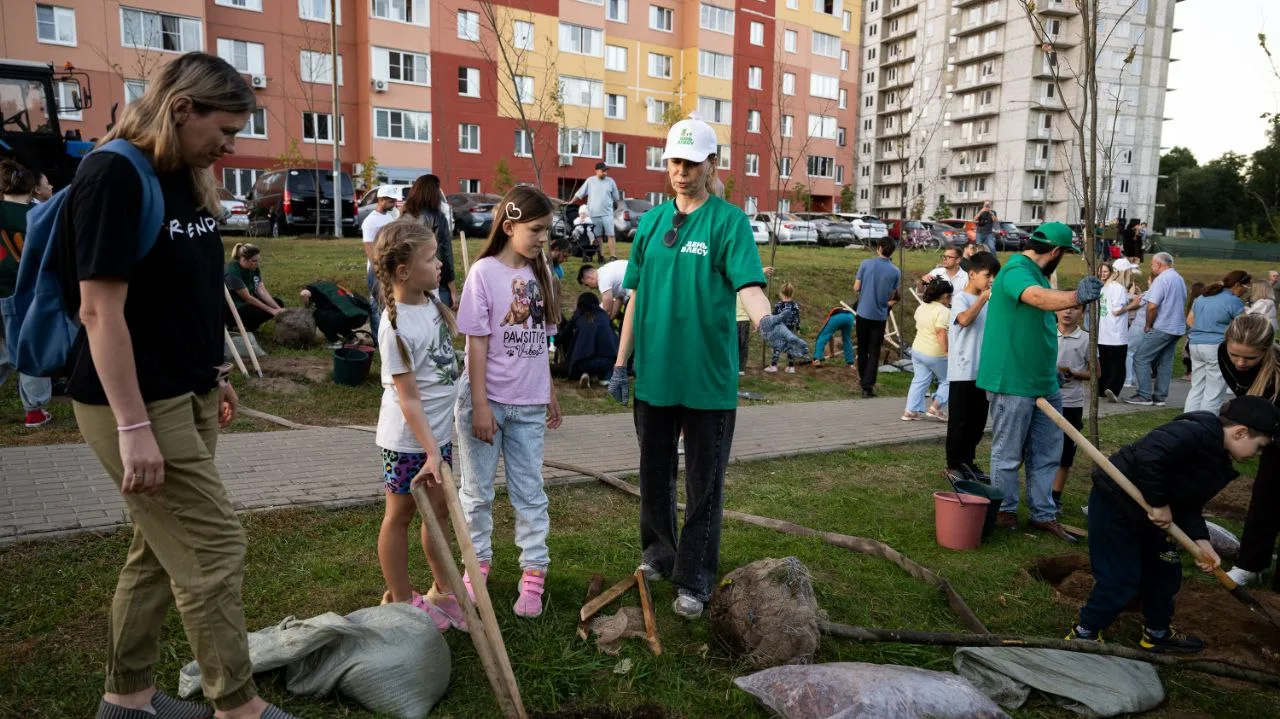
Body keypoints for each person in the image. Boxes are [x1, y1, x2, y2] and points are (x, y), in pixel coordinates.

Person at [56, 53, 297, 719]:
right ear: (182, 109)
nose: (231, 144)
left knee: (158, 549)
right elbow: (99, 311)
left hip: (186, 390)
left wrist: (214, 370)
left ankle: (126, 698)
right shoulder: (113, 174)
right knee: (213, 544)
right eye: (225, 129)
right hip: (130, 400)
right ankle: (237, 706)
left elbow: (190, 290)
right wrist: (133, 428)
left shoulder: (185, 175)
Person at [605, 116, 807, 620]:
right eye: (674, 161)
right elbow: (636, 297)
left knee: (703, 484)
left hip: (707, 381)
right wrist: (620, 363)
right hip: (654, 375)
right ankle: (658, 552)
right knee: (653, 475)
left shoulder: (728, 222)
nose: (681, 171)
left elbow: (749, 286)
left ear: (711, 165)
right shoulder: (651, 225)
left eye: (691, 163)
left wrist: (766, 325)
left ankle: (694, 575)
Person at [1065, 396, 1280, 652]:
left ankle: (1157, 634)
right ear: (1240, 432)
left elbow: (1189, 504)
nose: (1257, 455)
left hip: (1153, 519)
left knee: (1165, 574)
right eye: (1258, 447)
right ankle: (1084, 634)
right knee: (1119, 578)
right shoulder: (1192, 431)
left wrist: (1202, 542)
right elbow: (1148, 457)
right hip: (1116, 508)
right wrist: (1158, 503)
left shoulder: (1220, 462)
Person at [455, 185, 562, 619]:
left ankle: (533, 574)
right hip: (489, 401)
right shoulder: (483, 273)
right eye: (536, 229)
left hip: (530, 405)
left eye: (547, 231)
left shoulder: (544, 276)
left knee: (529, 492)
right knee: (477, 493)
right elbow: (475, 345)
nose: (542, 238)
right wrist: (480, 405)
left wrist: (549, 392)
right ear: (510, 224)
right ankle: (476, 567)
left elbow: (543, 344)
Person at [978, 221, 1103, 543]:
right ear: (1057, 251)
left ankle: (1042, 514)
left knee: (1047, 453)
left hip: (1045, 382)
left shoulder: (1038, 273)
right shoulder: (1017, 269)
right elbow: (1036, 299)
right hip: (1013, 382)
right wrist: (1076, 295)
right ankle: (1004, 511)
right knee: (1007, 454)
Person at [371, 220, 466, 631]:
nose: (440, 262)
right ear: (403, 271)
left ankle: (442, 592)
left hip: (435, 438)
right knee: (401, 515)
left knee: (438, 515)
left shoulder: (428, 302)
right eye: (431, 258)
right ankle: (402, 600)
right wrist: (430, 450)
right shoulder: (395, 328)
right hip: (410, 442)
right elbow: (408, 399)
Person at [1218, 314, 1280, 588]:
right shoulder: (1225, 354)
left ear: (1266, 353)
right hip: (1271, 430)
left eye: (1250, 359)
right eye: (1236, 355)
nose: (1240, 363)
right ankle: (1251, 565)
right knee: (1265, 496)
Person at [0, 158, 54, 428]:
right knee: (30, 350)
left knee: (2, 353)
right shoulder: (37, 216)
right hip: (25, 294)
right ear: (31, 187)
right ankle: (34, 411)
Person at [945, 252, 1000, 483]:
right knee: (960, 421)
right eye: (988, 275)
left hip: (983, 370)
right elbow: (965, 320)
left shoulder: (988, 301)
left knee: (977, 422)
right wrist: (983, 299)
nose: (991, 280)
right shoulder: (961, 298)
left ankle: (968, 462)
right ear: (973, 274)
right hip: (962, 370)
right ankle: (954, 465)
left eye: (994, 276)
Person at [1125, 253, 1187, 407]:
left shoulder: (1162, 279)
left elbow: (1152, 306)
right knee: (1165, 362)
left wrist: (1148, 324)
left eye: (1152, 264)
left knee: (1141, 358)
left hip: (1162, 326)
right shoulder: (1179, 279)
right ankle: (1160, 397)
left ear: (1159, 264)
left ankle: (1144, 395)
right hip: (1177, 328)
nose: (1151, 267)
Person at [1184, 271, 1249, 414]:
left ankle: (1188, 420)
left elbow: (1189, 320)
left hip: (1195, 344)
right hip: (1216, 346)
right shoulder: (1234, 301)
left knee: (1197, 387)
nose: (1246, 290)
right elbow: (1243, 326)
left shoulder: (1202, 298)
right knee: (1214, 391)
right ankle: (1206, 424)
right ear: (1237, 285)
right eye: (1246, 286)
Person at [1052, 305, 1090, 511]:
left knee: (1066, 452)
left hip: (1071, 402)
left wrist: (1074, 372)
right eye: (1063, 308)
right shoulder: (1046, 333)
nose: (1067, 312)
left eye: (1074, 309)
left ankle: (1055, 495)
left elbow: (1095, 373)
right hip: (1045, 400)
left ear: (1082, 313)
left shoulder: (1085, 339)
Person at [400, 174, 456, 309]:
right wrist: (453, 289)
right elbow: (444, 253)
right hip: (434, 281)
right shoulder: (437, 217)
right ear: (434, 192)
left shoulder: (403, 217)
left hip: (408, 279)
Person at [854, 237, 900, 398]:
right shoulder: (895, 271)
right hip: (880, 316)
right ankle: (868, 386)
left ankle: (862, 381)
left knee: (862, 348)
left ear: (879, 248)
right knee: (874, 351)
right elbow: (892, 295)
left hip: (863, 313)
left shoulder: (865, 264)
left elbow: (856, 287)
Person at [903, 276, 951, 422]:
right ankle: (935, 407)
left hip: (917, 350)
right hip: (935, 352)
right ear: (944, 296)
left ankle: (910, 411)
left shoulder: (921, 307)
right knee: (949, 379)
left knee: (919, 380)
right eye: (950, 296)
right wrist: (946, 352)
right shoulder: (943, 311)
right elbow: (940, 332)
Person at [1098, 258, 1138, 401]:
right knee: (1118, 365)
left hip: (1103, 333)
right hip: (1117, 334)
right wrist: (1133, 304)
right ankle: (1113, 389)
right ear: (1124, 272)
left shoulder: (1105, 287)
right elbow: (1117, 310)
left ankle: (1102, 389)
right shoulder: (1119, 288)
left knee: (1104, 363)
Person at [362, 186, 399, 334]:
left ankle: (388, 335)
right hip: (377, 268)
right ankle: (378, 340)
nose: (393, 204)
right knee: (376, 305)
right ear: (381, 199)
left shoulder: (389, 217)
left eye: (394, 201)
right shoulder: (370, 221)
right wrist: (378, 268)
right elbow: (369, 247)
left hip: (388, 265)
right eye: (390, 201)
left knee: (385, 303)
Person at [224, 243, 284, 334]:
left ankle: (248, 326)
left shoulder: (254, 268)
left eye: (258, 260)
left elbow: (261, 291)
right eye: (254, 261)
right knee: (257, 313)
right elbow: (248, 298)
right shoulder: (232, 273)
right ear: (244, 259)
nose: (257, 264)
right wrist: (272, 311)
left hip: (245, 303)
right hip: (232, 308)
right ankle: (235, 325)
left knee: (278, 302)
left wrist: (278, 309)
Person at [564, 292, 619, 387]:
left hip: (584, 361)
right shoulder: (604, 316)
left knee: (583, 361)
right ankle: (605, 378)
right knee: (606, 365)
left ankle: (585, 373)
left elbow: (565, 333)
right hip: (607, 361)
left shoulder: (579, 315)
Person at [572, 161, 622, 261]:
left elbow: (616, 197)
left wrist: (617, 205)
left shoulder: (611, 181)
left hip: (607, 213)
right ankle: (601, 255)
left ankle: (613, 256)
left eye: (606, 171)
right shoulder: (590, 181)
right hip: (593, 214)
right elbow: (580, 193)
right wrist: (571, 201)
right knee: (598, 236)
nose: (605, 173)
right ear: (596, 171)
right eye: (603, 171)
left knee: (611, 235)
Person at [766, 282, 802, 374]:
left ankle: (773, 365)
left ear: (781, 293)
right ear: (792, 293)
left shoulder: (778, 305)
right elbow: (797, 318)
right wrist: (798, 328)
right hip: (790, 329)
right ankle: (791, 367)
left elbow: (774, 317)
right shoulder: (795, 305)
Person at [810, 304, 856, 368]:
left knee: (822, 336)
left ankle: (816, 359)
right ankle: (850, 363)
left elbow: (828, 335)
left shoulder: (831, 315)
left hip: (838, 318)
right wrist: (832, 353)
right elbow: (831, 336)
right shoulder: (843, 310)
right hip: (850, 317)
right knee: (847, 339)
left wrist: (822, 334)